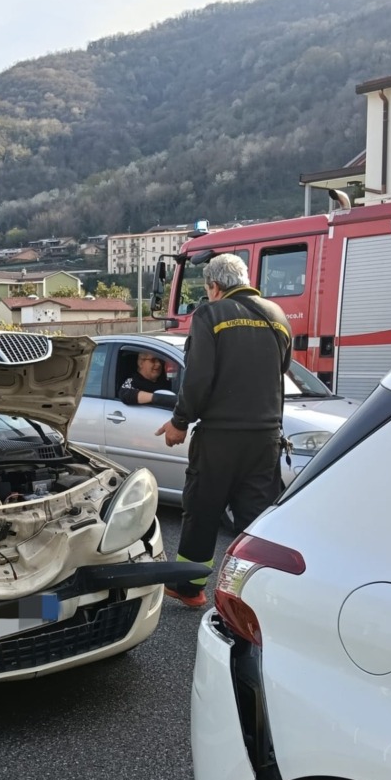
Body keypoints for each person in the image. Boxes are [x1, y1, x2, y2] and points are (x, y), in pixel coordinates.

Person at [155, 253, 292, 607]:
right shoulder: (277, 316)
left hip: (220, 439)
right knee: (255, 520)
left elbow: (198, 378)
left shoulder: (211, 315)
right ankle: (254, 594)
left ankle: (189, 587)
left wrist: (179, 422)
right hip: (265, 439)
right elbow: (282, 368)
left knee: (203, 511)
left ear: (214, 286)